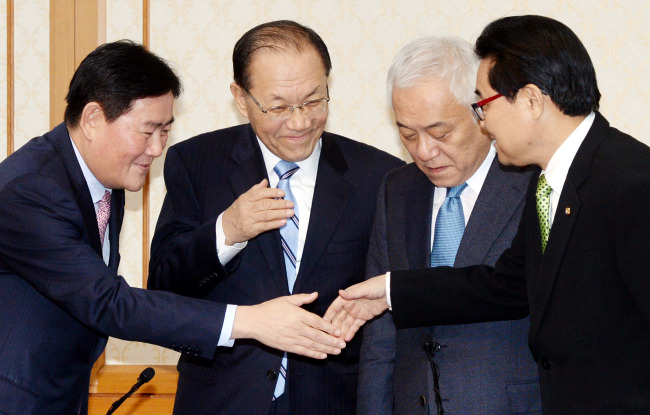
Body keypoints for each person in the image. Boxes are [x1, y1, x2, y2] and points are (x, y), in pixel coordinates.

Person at [326, 15, 650, 414]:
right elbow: (506, 286)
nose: (483, 121)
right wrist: (392, 291)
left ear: (531, 100)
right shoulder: (555, 183)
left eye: (483, 104)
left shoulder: (631, 182)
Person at [0, 40, 346, 415]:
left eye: (165, 130)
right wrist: (251, 321)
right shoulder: (29, 189)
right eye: (147, 132)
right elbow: (108, 302)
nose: (157, 148)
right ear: (93, 119)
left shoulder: (102, 177)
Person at [147, 20, 403, 415]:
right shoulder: (197, 163)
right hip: (223, 401)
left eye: (314, 101)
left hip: (335, 402)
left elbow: (392, 300)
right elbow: (163, 286)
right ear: (241, 98)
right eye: (279, 106)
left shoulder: (379, 175)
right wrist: (226, 231)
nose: (300, 122)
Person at [357, 36, 540, 415]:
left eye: (440, 133)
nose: (424, 151)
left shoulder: (532, 183)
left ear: (480, 113)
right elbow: (379, 334)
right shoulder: (397, 189)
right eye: (408, 134)